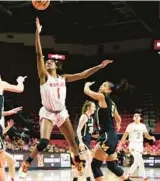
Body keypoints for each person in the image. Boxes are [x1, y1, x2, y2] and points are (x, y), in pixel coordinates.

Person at [18, 17, 112, 178]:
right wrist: (37, 33)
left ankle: (77, 162)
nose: (48, 63)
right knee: (43, 142)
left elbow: (82, 75)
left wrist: (99, 66)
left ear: (56, 65)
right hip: (48, 112)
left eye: (51, 62)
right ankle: (27, 163)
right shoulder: (43, 77)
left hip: (62, 112)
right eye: (46, 62)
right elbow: (38, 54)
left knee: (73, 144)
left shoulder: (63, 78)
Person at [84, 81, 132, 181]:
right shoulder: (111, 103)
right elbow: (118, 118)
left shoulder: (102, 97)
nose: (101, 86)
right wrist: (118, 124)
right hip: (112, 137)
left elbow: (87, 91)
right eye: (102, 84)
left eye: (105, 85)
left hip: (106, 136)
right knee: (112, 166)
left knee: (95, 165)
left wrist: (86, 85)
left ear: (109, 91)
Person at [120, 113, 155, 181]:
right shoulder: (130, 125)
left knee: (136, 162)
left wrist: (151, 137)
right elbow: (125, 135)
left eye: (138, 116)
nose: (136, 117)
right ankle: (144, 177)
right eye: (135, 116)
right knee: (141, 161)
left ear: (140, 118)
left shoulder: (143, 126)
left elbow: (147, 135)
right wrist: (121, 143)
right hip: (133, 144)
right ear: (133, 118)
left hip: (140, 145)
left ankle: (127, 175)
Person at [75, 101, 96, 181]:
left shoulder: (91, 118)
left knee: (81, 162)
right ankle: (88, 178)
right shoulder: (84, 117)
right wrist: (80, 142)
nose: (94, 108)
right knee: (89, 159)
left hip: (87, 141)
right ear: (88, 107)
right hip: (82, 141)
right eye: (93, 106)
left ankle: (75, 178)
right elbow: (78, 130)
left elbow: (89, 133)